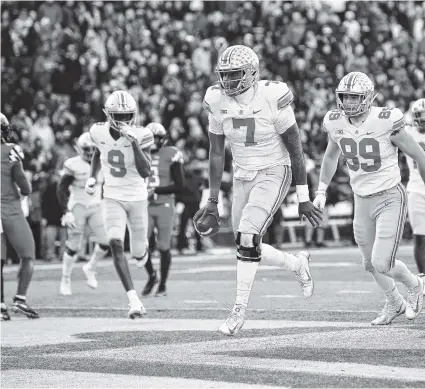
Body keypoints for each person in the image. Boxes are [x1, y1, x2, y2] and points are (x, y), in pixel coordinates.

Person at [193, 45, 323, 336]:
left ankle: (238, 311)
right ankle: (296, 264)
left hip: (275, 170)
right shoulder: (215, 99)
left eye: (235, 74)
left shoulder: (272, 96)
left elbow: (297, 151)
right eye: (224, 75)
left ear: (251, 72)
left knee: (249, 235)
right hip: (242, 175)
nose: (228, 81)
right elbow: (216, 153)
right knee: (245, 244)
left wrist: (303, 198)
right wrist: (212, 200)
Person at [313, 72, 425, 325]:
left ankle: (416, 285)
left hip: (389, 197)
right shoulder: (335, 122)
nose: (349, 102)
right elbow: (331, 157)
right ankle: (394, 301)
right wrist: (320, 191)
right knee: (369, 263)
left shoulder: (385, 121)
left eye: (355, 97)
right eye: (345, 97)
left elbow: (420, 155)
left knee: (381, 262)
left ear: (367, 97)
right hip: (361, 198)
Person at [85, 91, 154, 319]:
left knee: (137, 252)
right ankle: (133, 299)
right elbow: (97, 152)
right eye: (118, 115)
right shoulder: (98, 131)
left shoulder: (142, 134)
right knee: (115, 242)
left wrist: (132, 142)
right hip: (112, 195)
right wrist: (92, 177)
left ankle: (145, 261)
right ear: (109, 114)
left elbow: (145, 171)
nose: (124, 120)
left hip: (137, 197)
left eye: (127, 115)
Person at [57, 132, 109, 295]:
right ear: (79, 149)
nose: (89, 152)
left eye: (93, 149)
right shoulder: (73, 164)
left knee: (106, 241)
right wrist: (66, 211)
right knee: (74, 246)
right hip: (78, 206)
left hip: (96, 206)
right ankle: (65, 278)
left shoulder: (104, 162)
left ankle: (90, 267)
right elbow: (61, 189)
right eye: (86, 149)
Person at [1, 113, 39, 320]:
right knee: (28, 255)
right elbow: (24, 186)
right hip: (11, 210)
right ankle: (20, 299)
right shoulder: (11, 151)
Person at [142, 122, 185, 297]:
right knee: (140, 246)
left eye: (156, 138)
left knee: (164, 247)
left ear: (163, 138)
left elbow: (180, 185)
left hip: (165, 206)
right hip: (144, 206)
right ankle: (152, 276)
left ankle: (163, 285)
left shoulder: (172, 153)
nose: (153, 142)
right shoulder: (139, 154)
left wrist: (155, 191)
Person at [405, 98, 425, 278]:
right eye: (420, 116)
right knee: (420, 236)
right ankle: (424, 278)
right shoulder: (407, 132)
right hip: (417, 189)